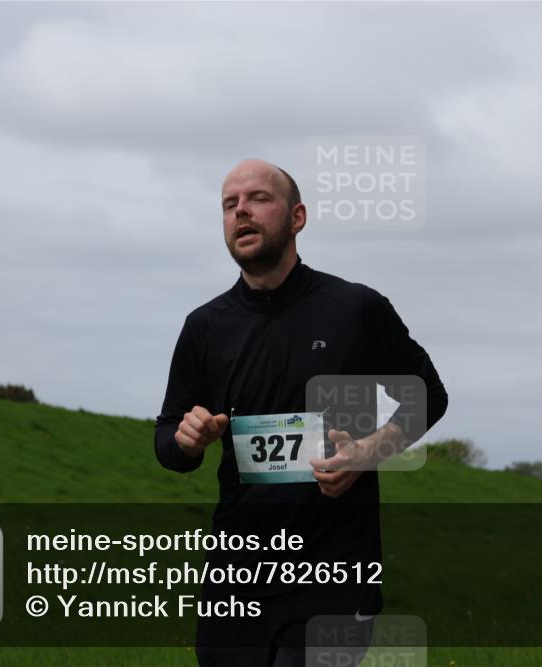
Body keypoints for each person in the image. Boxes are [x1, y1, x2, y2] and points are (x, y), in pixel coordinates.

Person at [155, 159, 448, 666]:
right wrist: (186, 440)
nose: (241, 211)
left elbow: (429, 394)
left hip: (334, 572)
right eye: (230, 204)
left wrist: (366, 453)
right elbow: (168, 441)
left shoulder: (355, 309)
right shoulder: (204, 326)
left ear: (297, 217)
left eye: (258, 199)